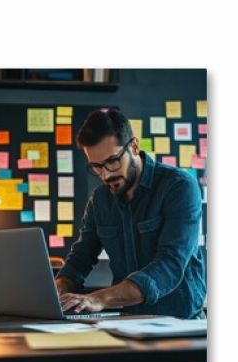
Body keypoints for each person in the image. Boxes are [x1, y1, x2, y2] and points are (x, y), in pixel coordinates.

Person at [56, 108, 206, 319]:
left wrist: (99, 298)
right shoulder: (100, 199)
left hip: (180, 323)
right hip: (127, 321)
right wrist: (59, 290)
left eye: (112, 161)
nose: (106, 174)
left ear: (134, 146)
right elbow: (80, 259)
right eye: (97, 166)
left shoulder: (179, 187)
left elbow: (170, 265)